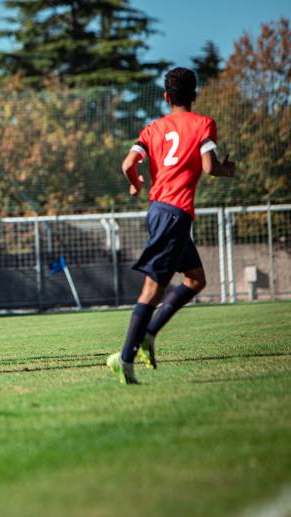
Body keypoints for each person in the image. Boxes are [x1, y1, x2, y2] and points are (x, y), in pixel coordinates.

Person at [107, 67, 236, 384]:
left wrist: (136, 182)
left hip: (160, 211)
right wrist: (227, 169)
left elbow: (127, 164)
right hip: (175, 214)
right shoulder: (203, 123)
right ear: (194, 95)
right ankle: (124, 359)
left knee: (195, 280)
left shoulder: (153, 128)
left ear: (166, 97)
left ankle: (149, 333)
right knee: (153, 289)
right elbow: (209, 167)